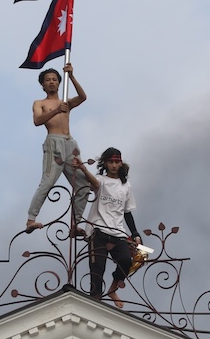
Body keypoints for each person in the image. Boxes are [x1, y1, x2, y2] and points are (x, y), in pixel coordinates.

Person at [74, 147, 141, 308]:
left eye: (116, 162)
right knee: (97, 268)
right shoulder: (101, 180)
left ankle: (112, 289)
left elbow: (127, 213)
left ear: (120, 163)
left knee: (126, 261)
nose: (113, 165)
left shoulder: (126, 186)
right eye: (111, 162)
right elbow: (94, 182)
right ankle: (95, 303)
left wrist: (136, 233)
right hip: (98, 231)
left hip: (118, 232)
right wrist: (83, 168)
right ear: (105, 163)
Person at [25, 63, 88, 233]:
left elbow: (83, 97)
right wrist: (56, 111)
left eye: (54, 79)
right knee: (47, 182)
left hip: (70, 144)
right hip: (54, 143)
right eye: (48, 80)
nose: (52, 82)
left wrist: (72, 76)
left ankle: (75, 224)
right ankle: (31, 220)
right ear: (43, 84)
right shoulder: (40, 103)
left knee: (83, 186)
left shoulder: (65, 102)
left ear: (59, 83)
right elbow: (38, 121)